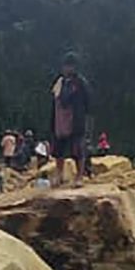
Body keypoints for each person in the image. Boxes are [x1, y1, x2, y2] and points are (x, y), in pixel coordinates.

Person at [49, 53, 91, 186]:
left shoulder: (80, 83)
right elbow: (54, 101)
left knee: (78, 150)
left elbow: (88, 101)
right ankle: (59, 175)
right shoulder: (59, 82)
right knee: (58, 150)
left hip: (75, 120)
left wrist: (84, 116)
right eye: (65, 66)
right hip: (60, 121)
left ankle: (79, 177)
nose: (67, 69)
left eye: (70, 66)